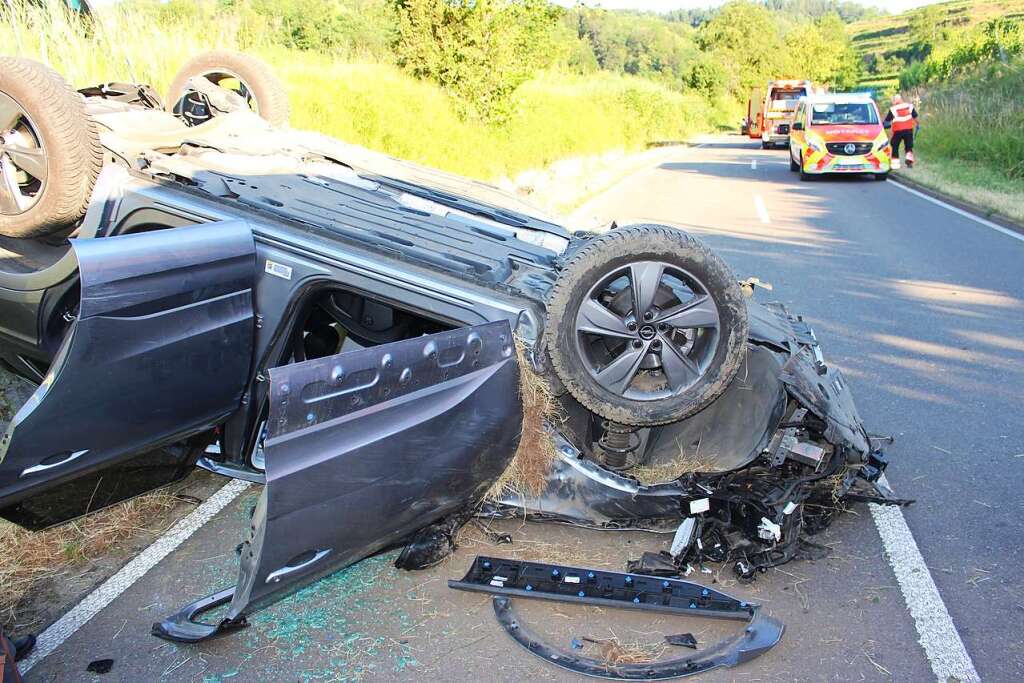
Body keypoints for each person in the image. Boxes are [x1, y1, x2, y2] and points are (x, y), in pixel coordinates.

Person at [884, 93, 919, 169]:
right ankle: (909, 163)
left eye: (893, 100)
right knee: (909, 146)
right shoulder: (909, 106)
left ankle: (895, 165)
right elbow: (915, 116)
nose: (893, 102)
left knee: (895, 145)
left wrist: (883, 125)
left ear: (896, 100)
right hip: (909, 130)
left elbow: (887, 121)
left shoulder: (893, 109)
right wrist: (918, 124)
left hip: (898, 131)